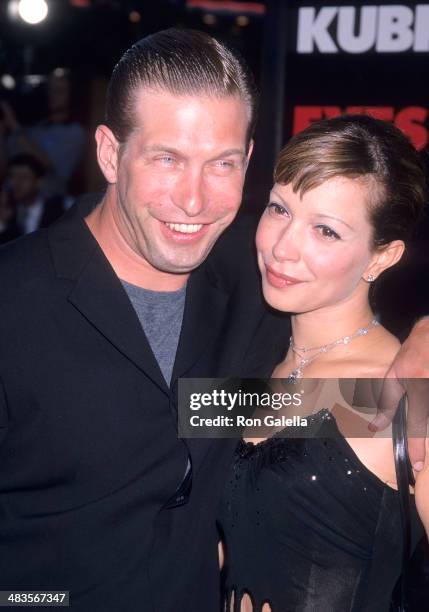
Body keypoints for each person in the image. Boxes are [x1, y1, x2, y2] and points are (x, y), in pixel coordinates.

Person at [0, 29, 427, 612]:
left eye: (222, 164)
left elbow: (356, 416)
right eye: (167, 158)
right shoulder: (16, 299)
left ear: (248, 159)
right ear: (108, 153)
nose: (194, 201)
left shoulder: (258, 286)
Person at [218, 115, 429, 612]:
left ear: (383, 257)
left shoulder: (401, 391)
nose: (283, 247)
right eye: (279, 209)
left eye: (326, 231)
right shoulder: (246, 362)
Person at [0, 153, 69, 244]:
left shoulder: (59, 208)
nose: (16, 183)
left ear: (38, 182)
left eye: (23, 177)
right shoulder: (9, 211)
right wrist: (2, 223)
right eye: (12, 177)